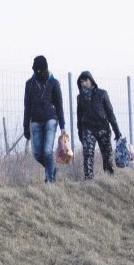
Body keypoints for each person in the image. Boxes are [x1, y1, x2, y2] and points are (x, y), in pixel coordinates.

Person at [23, 55, 66, 183]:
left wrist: (62, 126)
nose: (39, 74)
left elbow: (59, 105)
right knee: (37, 154)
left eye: (41, 71)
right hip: (35, 121)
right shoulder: (29, 84)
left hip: (51, 120)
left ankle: (50, 180)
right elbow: (27, 106)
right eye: (37, 71)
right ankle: (52, 169)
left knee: (47, 151)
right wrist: (26, 125)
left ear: (46, 69)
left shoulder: (54, 83)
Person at [75, 71, 122, 179]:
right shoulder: (80, 98)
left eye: (85, 81)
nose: (83, 84)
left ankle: (109, 178)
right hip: (88, 129)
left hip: (103, 128)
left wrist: (117, 132)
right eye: (81, 82)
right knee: (87, 154)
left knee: (107, 155)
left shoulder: (102, 94)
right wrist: (80, 133)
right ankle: (88, 179)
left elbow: (110, 113)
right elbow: (79, 116)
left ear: (91, 80)